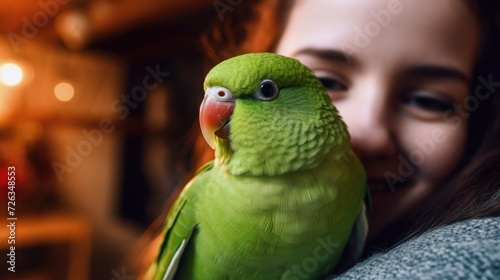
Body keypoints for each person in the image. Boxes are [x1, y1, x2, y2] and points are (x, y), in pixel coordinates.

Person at [200, 0, 500, 278]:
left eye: (428, 101)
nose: (368, 134)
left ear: (478, 123)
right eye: (325, 82)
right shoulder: (200, 199)